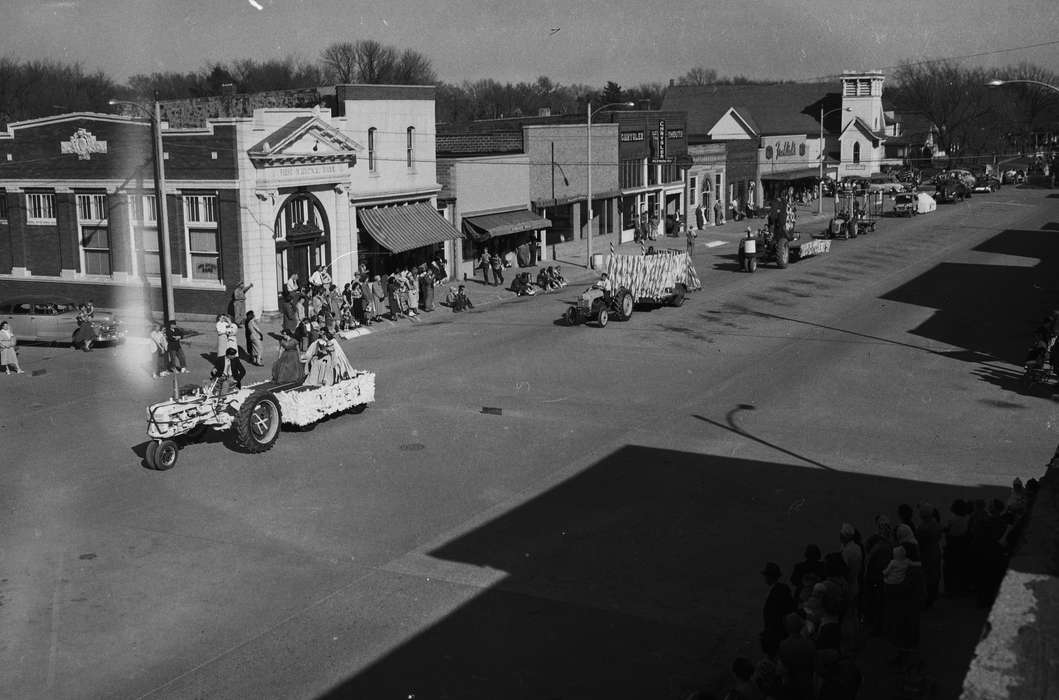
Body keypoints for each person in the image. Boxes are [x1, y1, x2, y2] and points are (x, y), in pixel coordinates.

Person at [761, 562, 796, 652]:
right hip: (782, 629)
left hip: (775, 630)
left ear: (769, 577)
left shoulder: (774, 592)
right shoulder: (784, 588)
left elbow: (772, 615)